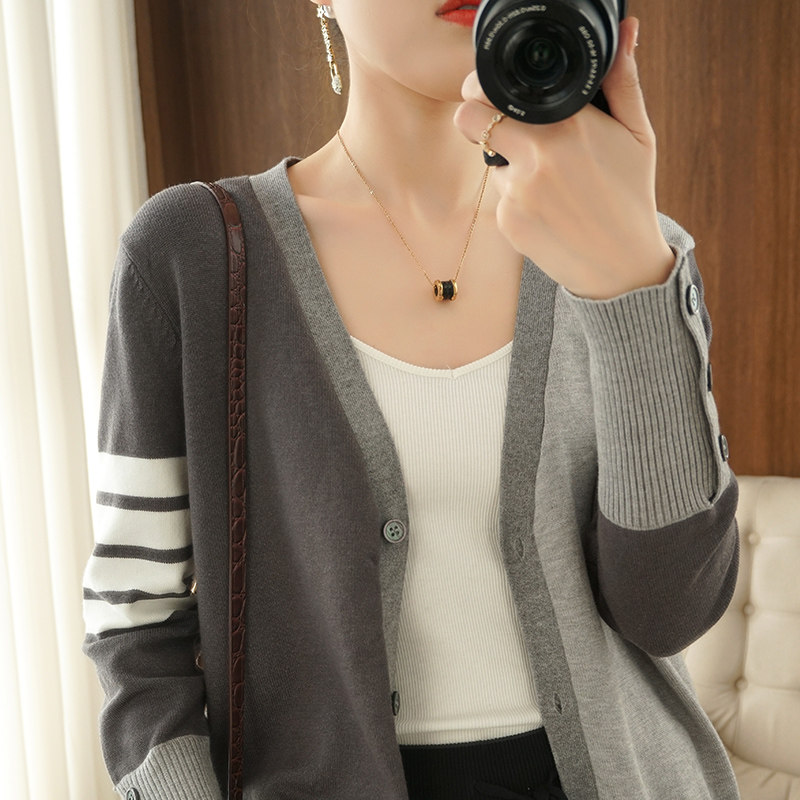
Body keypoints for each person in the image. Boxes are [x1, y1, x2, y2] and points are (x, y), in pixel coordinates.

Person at [82, 1, 741, 798]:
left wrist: (633, 283)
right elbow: (135, 621)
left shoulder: (630, 244)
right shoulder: (192, 256)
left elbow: (670, 611)